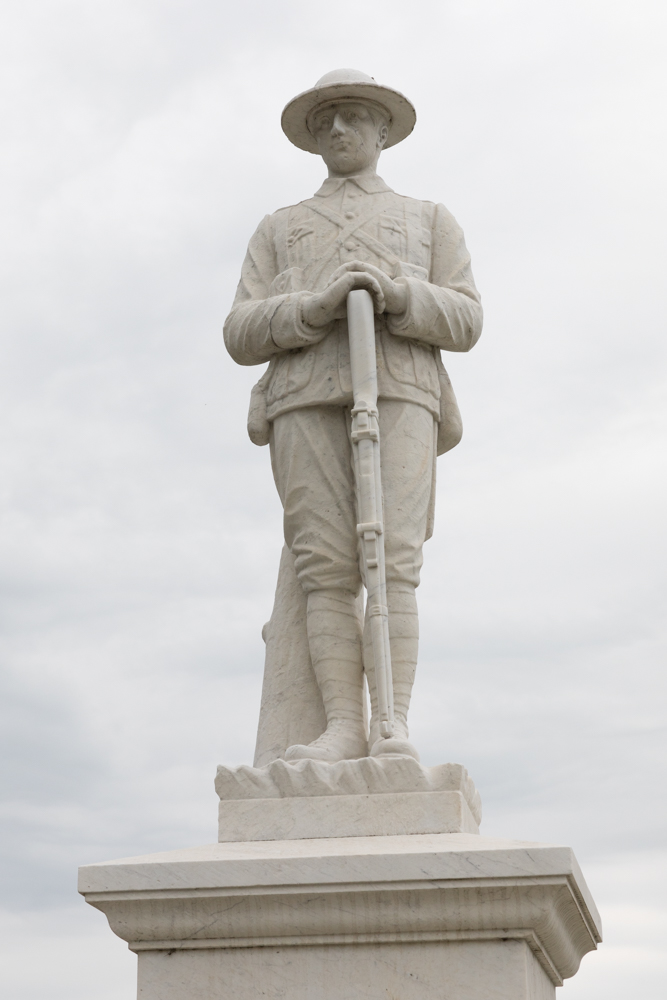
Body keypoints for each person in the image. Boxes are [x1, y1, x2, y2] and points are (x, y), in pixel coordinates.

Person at [224, 69, 482, 764]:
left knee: (392, 561)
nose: (339, 130)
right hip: (302, 398)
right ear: (312, 137)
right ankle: (343, 724)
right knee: (326, 569)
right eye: (327, 120)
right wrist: (308, 309)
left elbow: (465, 317)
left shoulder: (429, 218)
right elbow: (240, 332)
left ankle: (392, 720)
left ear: (383, 130)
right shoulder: (279, 228)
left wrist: (399, 295)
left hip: (400, 390)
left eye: (354, 117)